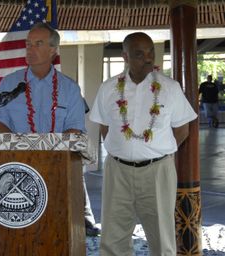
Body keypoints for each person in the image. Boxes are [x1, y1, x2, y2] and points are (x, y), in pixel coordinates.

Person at [89, 32, 197, 255]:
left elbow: (182, 129)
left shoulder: (170, 88)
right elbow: (104, 128)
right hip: (117, 171)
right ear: (125, 57)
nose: (148, 58)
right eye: (139, 54)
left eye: (151, 52)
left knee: (161, 236)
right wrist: (124, 150)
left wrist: (153, 152)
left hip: (157, 172)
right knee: (113, 237)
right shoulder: (108, 88)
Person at [0, 22, 100, 236]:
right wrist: (18, 150)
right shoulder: (9, 83)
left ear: (53, 50)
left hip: (58, 172)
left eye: (38, 44)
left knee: (57, 233)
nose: (30, 49)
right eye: (28, 44)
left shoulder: (69, 88)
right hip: (17, 172)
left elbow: (75, 129)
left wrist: (48, 154)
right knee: (23, 234)